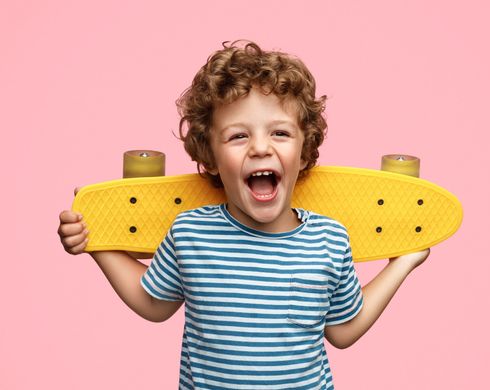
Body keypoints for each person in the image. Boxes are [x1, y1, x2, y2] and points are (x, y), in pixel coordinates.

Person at [58, 40, 429, 389]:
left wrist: (404, 263)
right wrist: (96, 239)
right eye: (238, 137)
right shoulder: (191, 232)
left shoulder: (330, 239)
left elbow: (343, 330)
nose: (261, 148)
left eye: (280, 133)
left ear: (303, 154)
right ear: (210, 158)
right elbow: (154, 303)